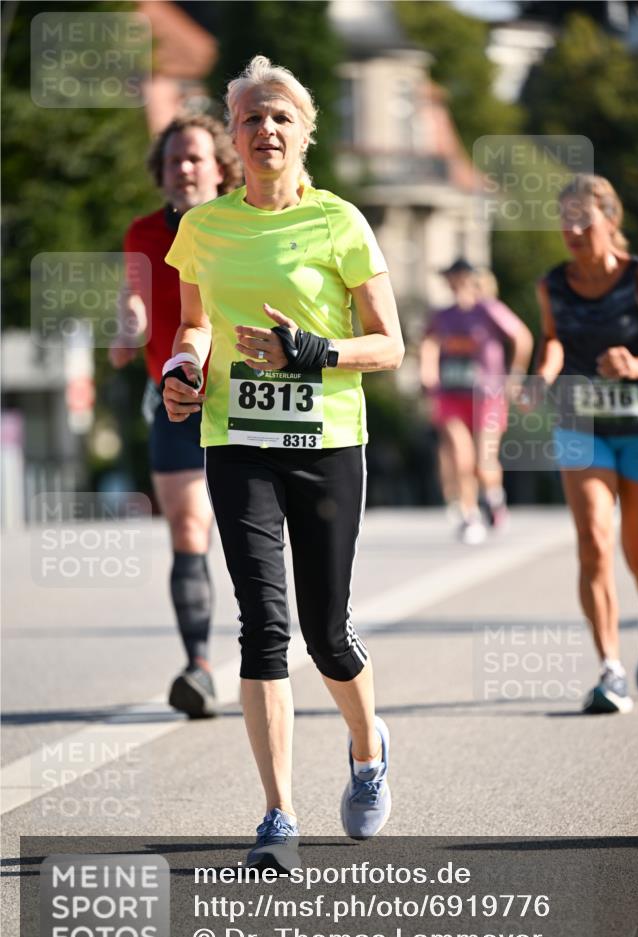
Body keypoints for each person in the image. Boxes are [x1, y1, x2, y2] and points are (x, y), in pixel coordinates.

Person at [161, 56, 404, 867]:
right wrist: (180, 369)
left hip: (329, 443)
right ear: (234, 138)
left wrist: (311, 351)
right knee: (262, 630)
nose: (264, 130)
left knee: (324, 632)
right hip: (237, 440)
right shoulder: (204, 229)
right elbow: (194, 325)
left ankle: (367, 751)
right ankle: (278, 816)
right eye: (249, 119)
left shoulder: (340, 222)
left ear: (304, 132)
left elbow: (389, 345)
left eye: (279, 118)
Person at [109, 113, 242, 718]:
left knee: (253, 531)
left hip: (250, 398)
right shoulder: (141, 233)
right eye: (172, 161)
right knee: (189, 530)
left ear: (219, 167)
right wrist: (126, 329)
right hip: (178, 398)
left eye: (193, 158)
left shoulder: (244, 223)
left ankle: (281, 649)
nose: (182, 169)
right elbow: (130, 309)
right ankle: (200, 667)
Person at [527, 174, 638, 713]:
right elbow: (555, 338)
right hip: (580, 422)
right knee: (592, 540)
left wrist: (637, 365)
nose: (574, 229)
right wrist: (544, 374)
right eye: (565, 218)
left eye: (584, 218)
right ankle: (610, 669)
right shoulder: (553, 283)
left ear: (612, 220)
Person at [419, 258, 532, 543]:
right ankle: (469, 516)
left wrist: (515, 376)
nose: (456, 284)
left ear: (472, 280)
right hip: (451, 394)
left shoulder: (488, 310)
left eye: (461, 278)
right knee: (460, 455)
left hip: (488, 395)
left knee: (484, 460)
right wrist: (428, 376)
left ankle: (493, 496)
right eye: (451, 279)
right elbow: (429, 345)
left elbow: (522, 337)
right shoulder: (442, 316)